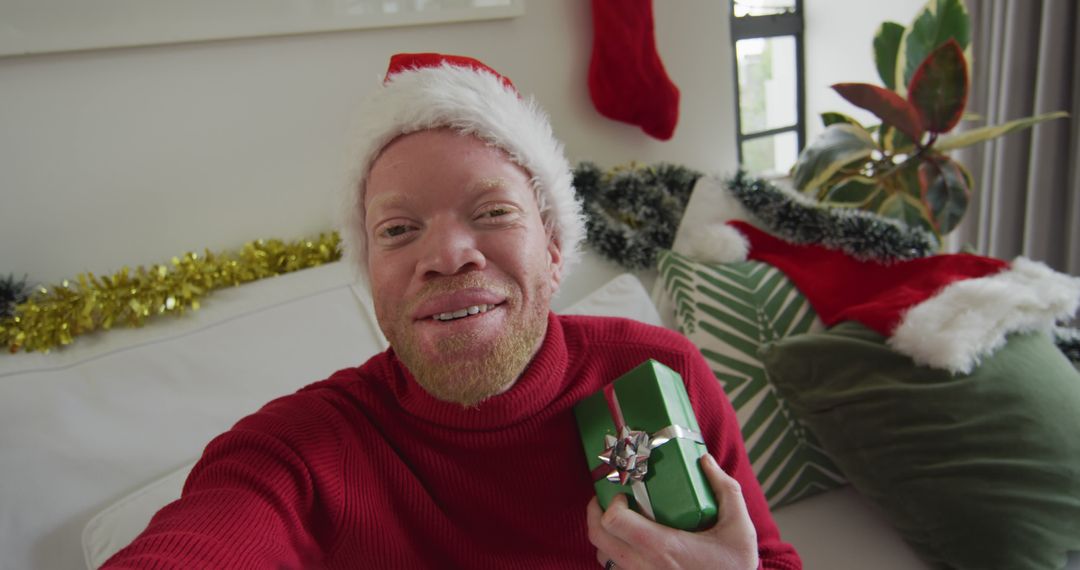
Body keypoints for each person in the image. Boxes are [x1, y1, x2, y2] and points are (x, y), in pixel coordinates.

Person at [102, 53, 801, 569]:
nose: (446, 255)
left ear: (556, 248)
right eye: (398, 230)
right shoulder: (300, 454)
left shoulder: (659, 371)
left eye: (492, 211)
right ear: (370, 271)